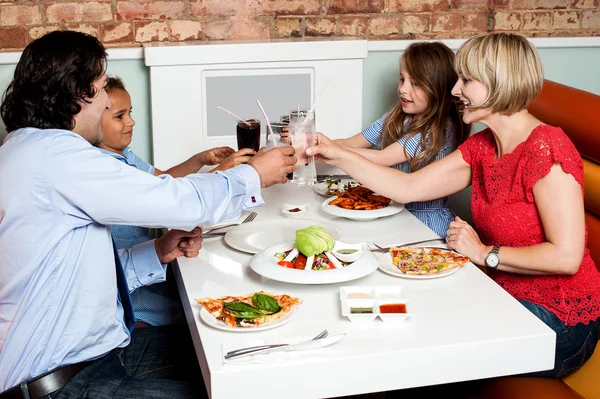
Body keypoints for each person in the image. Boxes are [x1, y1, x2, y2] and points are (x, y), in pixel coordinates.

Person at [0, 30, 295, 398]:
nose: (107, 99)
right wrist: (253, 174)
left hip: (96, 356)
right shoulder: (56, 158)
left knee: (239, 353)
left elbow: (72, 276)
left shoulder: (28, 148)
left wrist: (156, 252)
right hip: (61, 384)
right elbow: (178, 199)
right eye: (103, 86)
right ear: (77, 94)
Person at [307, 33, 600, 378]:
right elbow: (409, 187)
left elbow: (566, 257)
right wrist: (339, 154)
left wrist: (485, 253)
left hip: (559, 322)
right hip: (501, 296)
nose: (455, 90)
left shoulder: (546, 148)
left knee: (422, 336)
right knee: (398, 314)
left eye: (466, 81)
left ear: (499, 82)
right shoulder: (482, 146)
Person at [99, 76, 257, 326]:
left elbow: (163, 181)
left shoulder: (123, 155)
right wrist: (225, 173)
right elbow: (171, 201)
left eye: (130, 113)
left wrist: (199, 159)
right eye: (120, 116)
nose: (131, 121)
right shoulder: (106, 168)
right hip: (138, 303)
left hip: (151, 265)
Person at [334, 42, 469, 238]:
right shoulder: (397, 116)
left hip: (426, 224)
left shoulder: (439, 129)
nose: (403, 89)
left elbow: (382, 158)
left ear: (438, 88)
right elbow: (351, 143)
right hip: (394, 213)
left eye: (415, 83)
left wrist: (330, 151)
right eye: (402, 79)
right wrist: (311, 142)